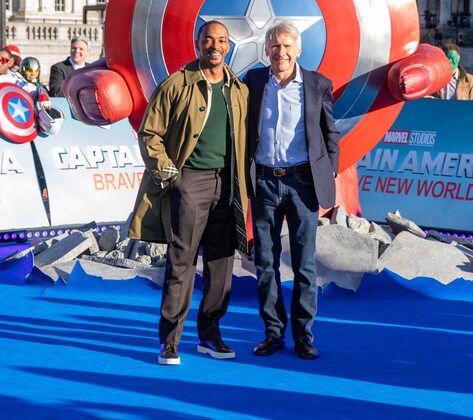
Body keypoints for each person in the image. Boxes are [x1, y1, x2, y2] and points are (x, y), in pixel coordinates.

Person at [128, 20, 249, 366]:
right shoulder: (176, 85)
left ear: (229, 47)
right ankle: (169, 342)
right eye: (208, 40)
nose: (215, 46)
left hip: (227, 186)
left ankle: (210, 334)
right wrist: (172, 176)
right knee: (181, 264)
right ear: (198, 44)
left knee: (221, 265)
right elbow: (149, 134)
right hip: (189, 183)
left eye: (222, 41)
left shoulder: (238, 90)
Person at [243, 21, 340, 361]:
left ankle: (304, 336)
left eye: (286, 46)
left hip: (302, 184)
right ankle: (272, 332)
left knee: (304, 265)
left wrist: (328, 172)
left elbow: (330, 134)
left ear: (298, 49)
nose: (280, 52)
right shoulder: (253, 82)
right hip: (265, 183)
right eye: (274, 45)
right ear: (266, 49)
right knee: (265, 263)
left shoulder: (317, 84)